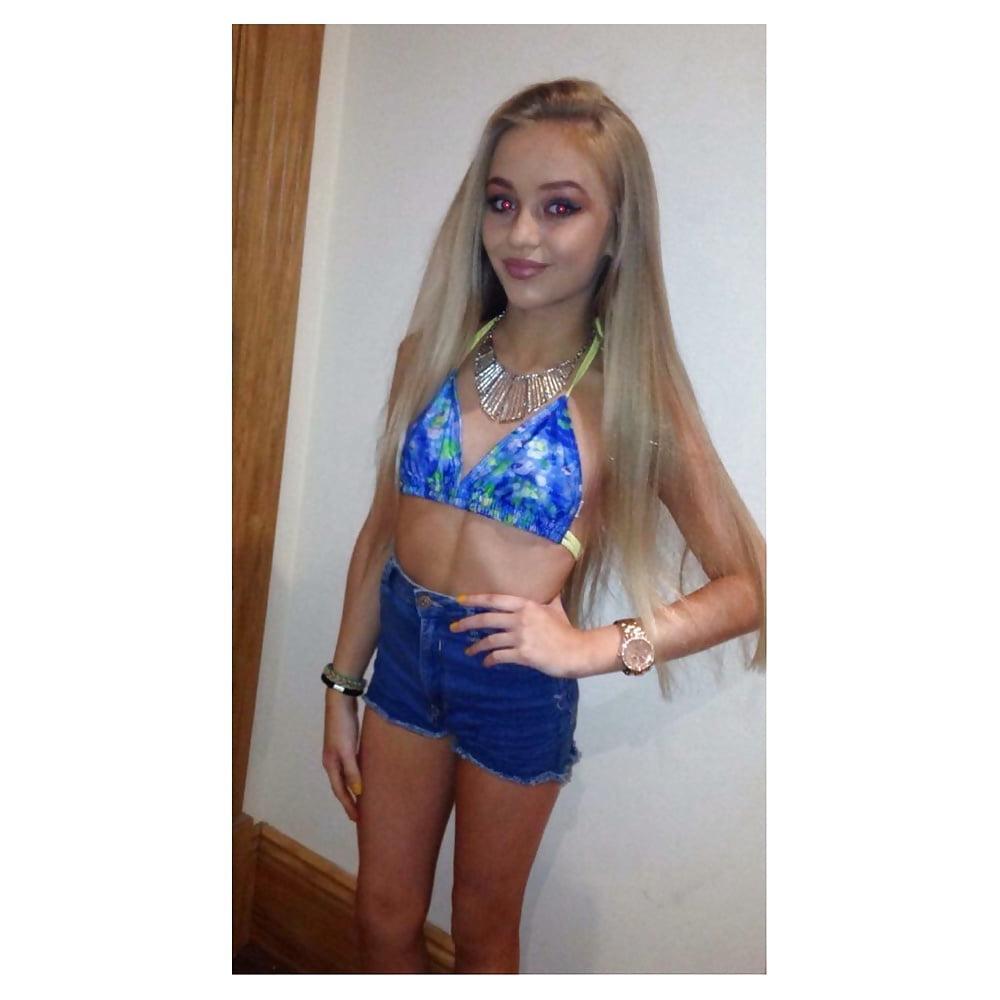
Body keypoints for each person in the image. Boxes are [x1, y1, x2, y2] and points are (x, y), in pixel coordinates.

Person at [321, 78, 765, 974]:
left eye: (560, 207)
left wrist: (595, 648)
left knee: (482, 936)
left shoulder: (631, 398)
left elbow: (751, 588)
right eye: (502, 202)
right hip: (402, 657)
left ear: (616, 230)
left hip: (512, 687)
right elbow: (379, 534)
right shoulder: (431, 355)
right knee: (379, 917)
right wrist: (341, 684)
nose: (521, 234)